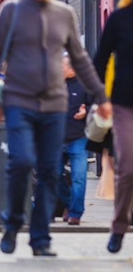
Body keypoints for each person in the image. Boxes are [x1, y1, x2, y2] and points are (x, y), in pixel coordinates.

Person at [0, 0, 110, 257]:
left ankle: (40, 238)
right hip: (19, 102)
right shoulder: (10, 11)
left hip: (55, 106)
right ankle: (12, 222)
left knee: (51, 170)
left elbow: (80, 60)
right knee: (23, 161)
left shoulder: (64, 13)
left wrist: (101, 97)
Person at [95, 0, 133, 253]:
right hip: (123, 104)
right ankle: (119, 225)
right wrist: (101, 99)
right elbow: (100, 60)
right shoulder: (119, 19)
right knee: (128, 166)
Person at [58, 53, 92, 226]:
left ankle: (75, 213)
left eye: (62, 66)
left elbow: (95, 108)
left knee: (79, 177)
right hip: (56, 139)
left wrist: (85, 113)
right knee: (53, 175)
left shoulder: (84, 85)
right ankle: (71, 204)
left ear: (71, 69)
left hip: (78, 138)